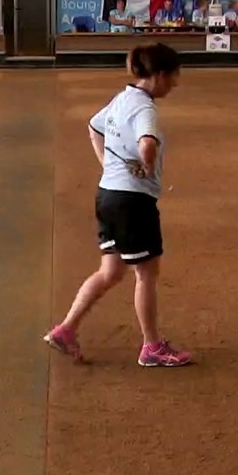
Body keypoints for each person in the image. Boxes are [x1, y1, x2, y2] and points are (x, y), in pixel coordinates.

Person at [43, 43, 193, 368]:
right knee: (147, 273)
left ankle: (65, 329)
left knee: (110, 271)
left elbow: (94, 127)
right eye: (174, 76)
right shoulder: (145, 110)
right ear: (160, 75)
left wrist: (107, 164)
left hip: (108, 195)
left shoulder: (122, 98)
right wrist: (146, 166)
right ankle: (152, 346)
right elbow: (148, 143)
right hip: (133, 201)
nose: (176, 83)